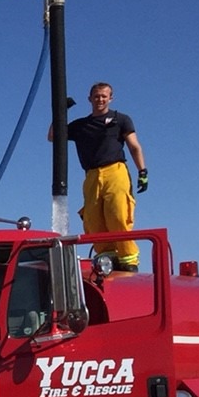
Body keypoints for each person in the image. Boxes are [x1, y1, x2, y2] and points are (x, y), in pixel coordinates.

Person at [47, 82, 148, 271]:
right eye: (96, 96)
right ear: (90, 99)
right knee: (93, 219)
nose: (100, 99)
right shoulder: (81, 125)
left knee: (117, 214)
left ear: (110, 98)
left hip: (115, 170)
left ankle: (128, 259)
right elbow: (53, 136)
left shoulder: (121, 120)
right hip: (92, 174)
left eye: (104, 96)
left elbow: (134, 146)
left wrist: (142, 171)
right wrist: (61, 112)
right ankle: (107, 257)